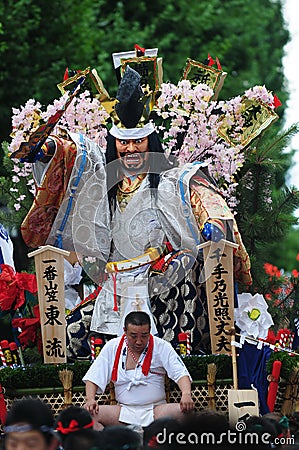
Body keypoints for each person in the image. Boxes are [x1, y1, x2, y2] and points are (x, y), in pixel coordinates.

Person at [11, 48, 252, 356]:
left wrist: (213, 225)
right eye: (123, 142)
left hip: (159, 279)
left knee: (177, 299)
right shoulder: (101, 179)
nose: (130, 149)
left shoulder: (170, 178)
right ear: (114, 145)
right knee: (72, 336)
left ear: (150, 142)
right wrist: (44, 150)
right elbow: (76, 153)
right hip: (113, 285)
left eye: (138, 141)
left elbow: (202, 194)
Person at [82, 311, 194, 430]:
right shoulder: (112, 346)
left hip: (157, 410)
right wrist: (90, 399)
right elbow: (93, 377)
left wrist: (186, 394)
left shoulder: (162, 346)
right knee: (86, 416)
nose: (139, 341)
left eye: (144, 335)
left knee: (184, 412)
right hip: (122, 411)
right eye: (133, 336)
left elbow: (181, 373)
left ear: (150, 330)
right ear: (125, 331)